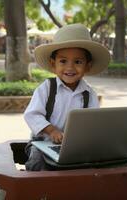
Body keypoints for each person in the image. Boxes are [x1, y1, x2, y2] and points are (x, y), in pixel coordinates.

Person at [23, 23, 110, 171]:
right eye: (63, 61)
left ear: (87, 66)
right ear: (53, 64)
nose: (70, 68)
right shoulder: (46, 88)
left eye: (78, 62)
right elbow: (32, 115)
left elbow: (93, 122)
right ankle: (39, 191)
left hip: (75, 146)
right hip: (43, 142)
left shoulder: (89, 94)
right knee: (36, 162)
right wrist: (52, 131)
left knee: (93, 165)